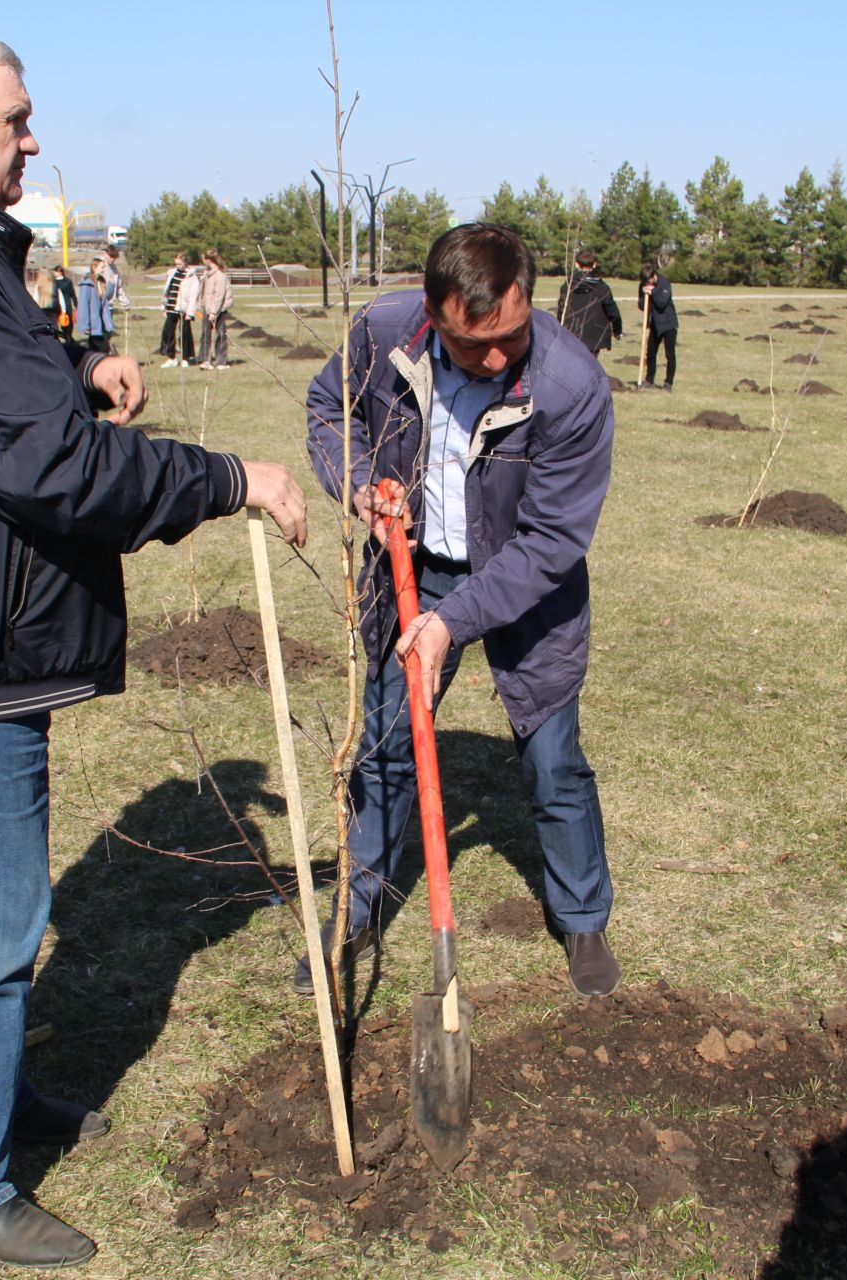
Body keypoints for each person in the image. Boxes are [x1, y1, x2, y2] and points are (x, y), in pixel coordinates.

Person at [0, 28, 306, 1269]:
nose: (33, 137)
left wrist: (77, 364)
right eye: (15, 119)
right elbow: (45, 466)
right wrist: (231, 477)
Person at [301, 222, 619, 1001]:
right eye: (475, 346)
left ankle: (582, 918)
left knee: (553, 761)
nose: (498, 358)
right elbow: (327, 408)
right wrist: (361, 485)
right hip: (417, 569)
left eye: (512, 336)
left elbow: (549, 542)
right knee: (386, 746)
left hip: (525, 587)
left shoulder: (571, 385)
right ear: (434, 317)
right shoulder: (383, 333)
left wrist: (450, 623)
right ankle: (359, 907)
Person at [556, 248, 622, 355]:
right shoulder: (602, 288)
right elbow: (613, 312)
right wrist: (617, 330)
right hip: (594, 338)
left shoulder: (567, 287)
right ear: (594, 264)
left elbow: (561, 311)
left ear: (577, 264)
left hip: (572, 335)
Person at [638, 265, 678, 390]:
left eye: (647, 281)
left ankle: (668, 383)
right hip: (654, 324)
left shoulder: (664, 282)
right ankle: (649, 380)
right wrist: (644, 295)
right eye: (644, 282)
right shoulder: (643, 285)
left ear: (653, 276)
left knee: (669, 354)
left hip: (669, 323)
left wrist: (653, 292)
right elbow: (641, 305)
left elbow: (662, 303)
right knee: (650, 353)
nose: (645, 283)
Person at [198, 248, 232, 370]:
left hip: (219, 310)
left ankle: (221, 361)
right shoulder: (207, 274)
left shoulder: (220, 276)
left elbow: (219, 295)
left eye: (203, 260)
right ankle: (205, 359)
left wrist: (213, 312)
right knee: (205, 335)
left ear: (208, 260)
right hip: (207, 309)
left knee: (220, 335)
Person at [75, 255, 114, 353]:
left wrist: (112, 284)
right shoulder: (87, 285)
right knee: (101, 348)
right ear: (95, 267)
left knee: (101, 349)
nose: (103, 269)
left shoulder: (101, 283)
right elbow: (83, 306)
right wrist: (85, 325)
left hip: (102, 324)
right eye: (102, 267)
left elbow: (105, 301)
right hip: (94, 324)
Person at [157, 252, 189, 365]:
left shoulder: (189, 275)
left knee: (185, 333)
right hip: (171, 307)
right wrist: (164, 307)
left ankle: (186, 358)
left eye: (180, 264)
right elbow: (167, 291)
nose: (178, 266)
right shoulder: (172, 273)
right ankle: (171, 358)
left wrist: (190, 309)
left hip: (183, 308)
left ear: (185, 263)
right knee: (168, 332)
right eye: (176, 264)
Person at [48, 264, 77, 338]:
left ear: (60, 272)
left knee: (60, 321)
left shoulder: (54, 283)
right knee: (68, 321)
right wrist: (76, 303)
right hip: (67, 303)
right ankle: (68, 336)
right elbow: (72, 294)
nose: (54, 273)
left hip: (57, 304)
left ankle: (65, 336)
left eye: (55, 272)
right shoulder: (68, 281)